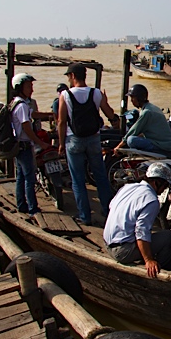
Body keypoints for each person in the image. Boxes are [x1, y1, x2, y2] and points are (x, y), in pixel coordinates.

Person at [57, 63, 119, 225]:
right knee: (100, 177)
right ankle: (107, 210)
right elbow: (110, 114)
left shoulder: (65, 95)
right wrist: (105, 101)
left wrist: (61, 143)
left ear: (72, 76)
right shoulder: (96, 93)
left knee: (77, 180)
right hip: (93, 140)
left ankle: (85, 216)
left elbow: (61, 122)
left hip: (74, 140)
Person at [103, 162, 171, 278]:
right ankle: (162, 272)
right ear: (157, 183)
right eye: (165, 186)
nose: (164, 190)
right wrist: (148, 260)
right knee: (168, 236)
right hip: (122, 251)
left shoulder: (127, 187)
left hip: (107, 243)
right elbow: (141, 231)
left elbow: (111, 206)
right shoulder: (151, 200)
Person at [10, 73, 52, 216]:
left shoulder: (17, 103)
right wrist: (40, 143)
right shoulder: (21, 105)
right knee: (29, 178)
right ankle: (33, 208)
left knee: (21, 176)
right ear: (19, 87)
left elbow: (33, 115)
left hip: (19, 145)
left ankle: (21, 205)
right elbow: (27, 128)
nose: (31, 89)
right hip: (24, 146)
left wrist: (49, 115)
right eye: (28, 86)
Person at [113, 84, 171, 155]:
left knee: (131, 140)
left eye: (132, 98)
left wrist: (119, 146)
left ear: (139, 98)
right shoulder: (151, 107)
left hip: (162, 146)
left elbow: (134, 130)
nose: (131, 101)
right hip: (164, 144)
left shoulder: (146, 112)